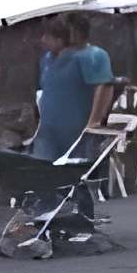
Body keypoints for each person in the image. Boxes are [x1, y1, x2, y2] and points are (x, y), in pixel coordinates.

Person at [31, 14, 116, 164]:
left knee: (77, 170)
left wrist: (94, 122)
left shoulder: (92, 55)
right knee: (42, 168)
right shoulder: (47, 59)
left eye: (48, 36)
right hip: (48, 129)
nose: (43, 40)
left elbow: (104, 87)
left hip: (76, 129)